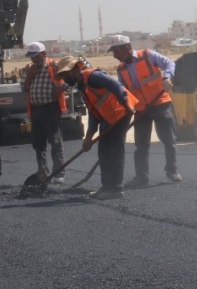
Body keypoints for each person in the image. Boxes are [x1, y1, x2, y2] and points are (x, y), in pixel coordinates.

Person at [55, 56, 138, 200]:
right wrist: (88, 137)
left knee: (114, 150)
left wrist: (126, 105)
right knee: (104, 151)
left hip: (121, 112)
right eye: (61, 76)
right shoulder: (83, 86)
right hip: (108, 117)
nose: (64, 79)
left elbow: (116, 86)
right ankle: (107, 186)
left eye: (64, 75)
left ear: (74, 69)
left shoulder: (93, 76)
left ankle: (115, 189)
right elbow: (94, 113)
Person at [110, 35, 182, 186]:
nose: (114, 55)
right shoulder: (121, 69)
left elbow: (169, 63)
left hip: (160, 103)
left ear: (127, 48)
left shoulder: (148, 55)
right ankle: (142, 177)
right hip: (141, 109)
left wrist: (167, 78)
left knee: (169, 140)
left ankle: (172, 171)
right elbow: (124, 91)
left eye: (116, 51)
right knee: (141, 145)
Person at [21, 41, 67, 184]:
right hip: (36, 110)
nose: (33, 59)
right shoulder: (29, 69)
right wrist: (30, 75)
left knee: (55, 141)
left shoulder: (54, 66)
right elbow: (23, 87)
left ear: (44, 54)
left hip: (50, 108)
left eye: (36, 56)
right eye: (31, 57)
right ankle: (43, 171)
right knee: (38, 143)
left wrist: (59, 90)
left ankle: (59, 173)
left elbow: (68, 82)